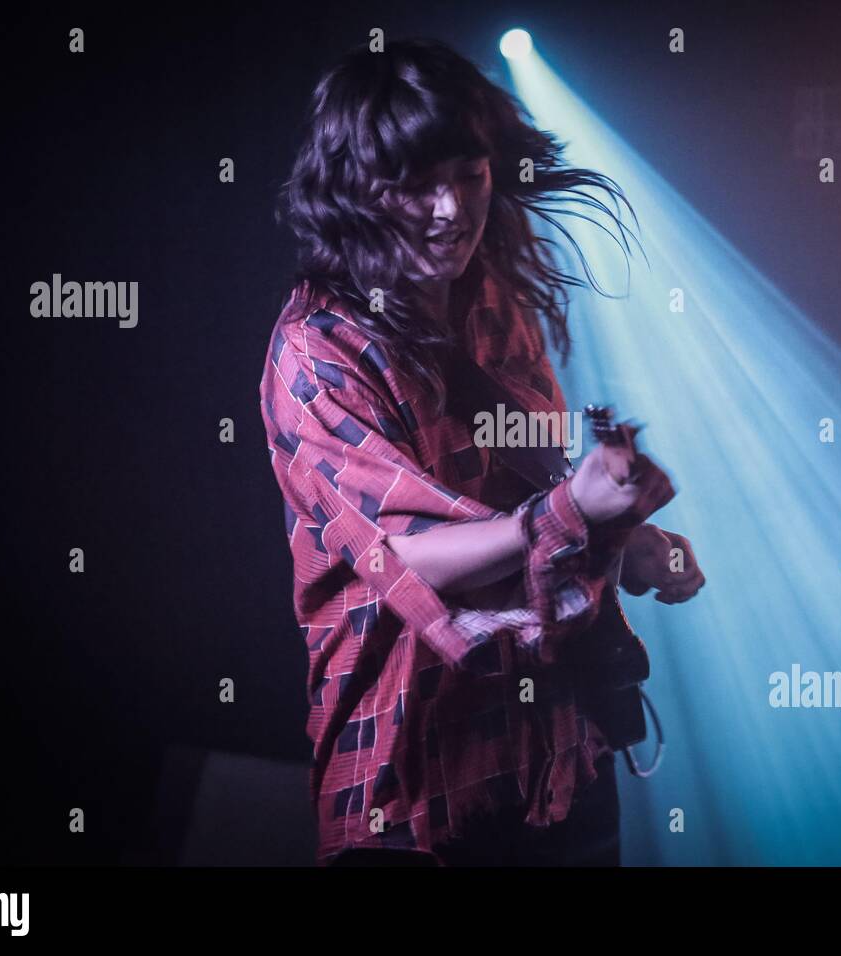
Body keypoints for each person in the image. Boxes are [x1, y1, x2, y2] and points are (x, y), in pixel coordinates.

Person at [259, 37, 705, 866]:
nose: (451, 209)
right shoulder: (318, 351)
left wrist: (623, 535)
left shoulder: (494, 301)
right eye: (417, 185)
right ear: (355, 192)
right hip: (412, 770)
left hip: (553, 748)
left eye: (468, 176)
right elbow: (406, 557)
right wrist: (573, 513)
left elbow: (527, 490)